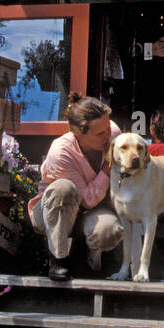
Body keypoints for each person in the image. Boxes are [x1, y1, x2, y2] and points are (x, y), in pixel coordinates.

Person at [28, 92, 122, 281]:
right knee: (64, 189)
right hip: (52, 212)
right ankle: (58, 259)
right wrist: (106, 168)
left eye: (107, 127)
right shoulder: (61, 151)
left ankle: (91, 263)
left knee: (109, 230)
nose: (108, 136)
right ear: (79, 133)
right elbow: (86, 199)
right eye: (100, 133)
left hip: (88, 212)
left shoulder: (112, 133)